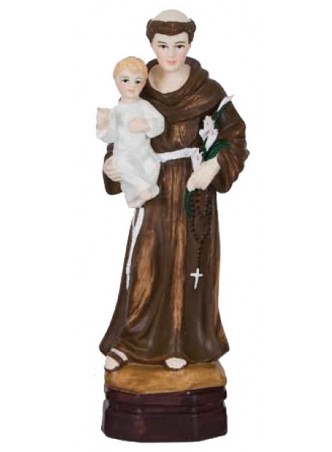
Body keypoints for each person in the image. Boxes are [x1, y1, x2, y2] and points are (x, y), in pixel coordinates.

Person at [100, 10, 250, 371]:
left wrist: (215, 164)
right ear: (151, 43)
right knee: (145, 262)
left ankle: (182, 342)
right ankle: (132, 340)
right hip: (151, 186)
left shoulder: (208, 93)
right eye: (163, 45)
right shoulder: (137, 84)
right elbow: (121, 136)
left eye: (179, 45)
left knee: (188, 263)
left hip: (192, 191)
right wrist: (110, 166)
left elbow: (235, 137)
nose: (171, 53)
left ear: (190, 44)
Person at [96, 56, 164, 208]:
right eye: (125, 80)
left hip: (144, 152)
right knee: (124, 165)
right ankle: (143, 189)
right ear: (115, 80)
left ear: (144, 83)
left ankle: (137, 198)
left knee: (152, 165)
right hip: (125, 154)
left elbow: (159, 122)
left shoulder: (144, 106)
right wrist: (103, 124)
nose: (131, 86)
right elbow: (110, 137)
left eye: (137, 81)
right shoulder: (115, 112)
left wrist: (146, 124)